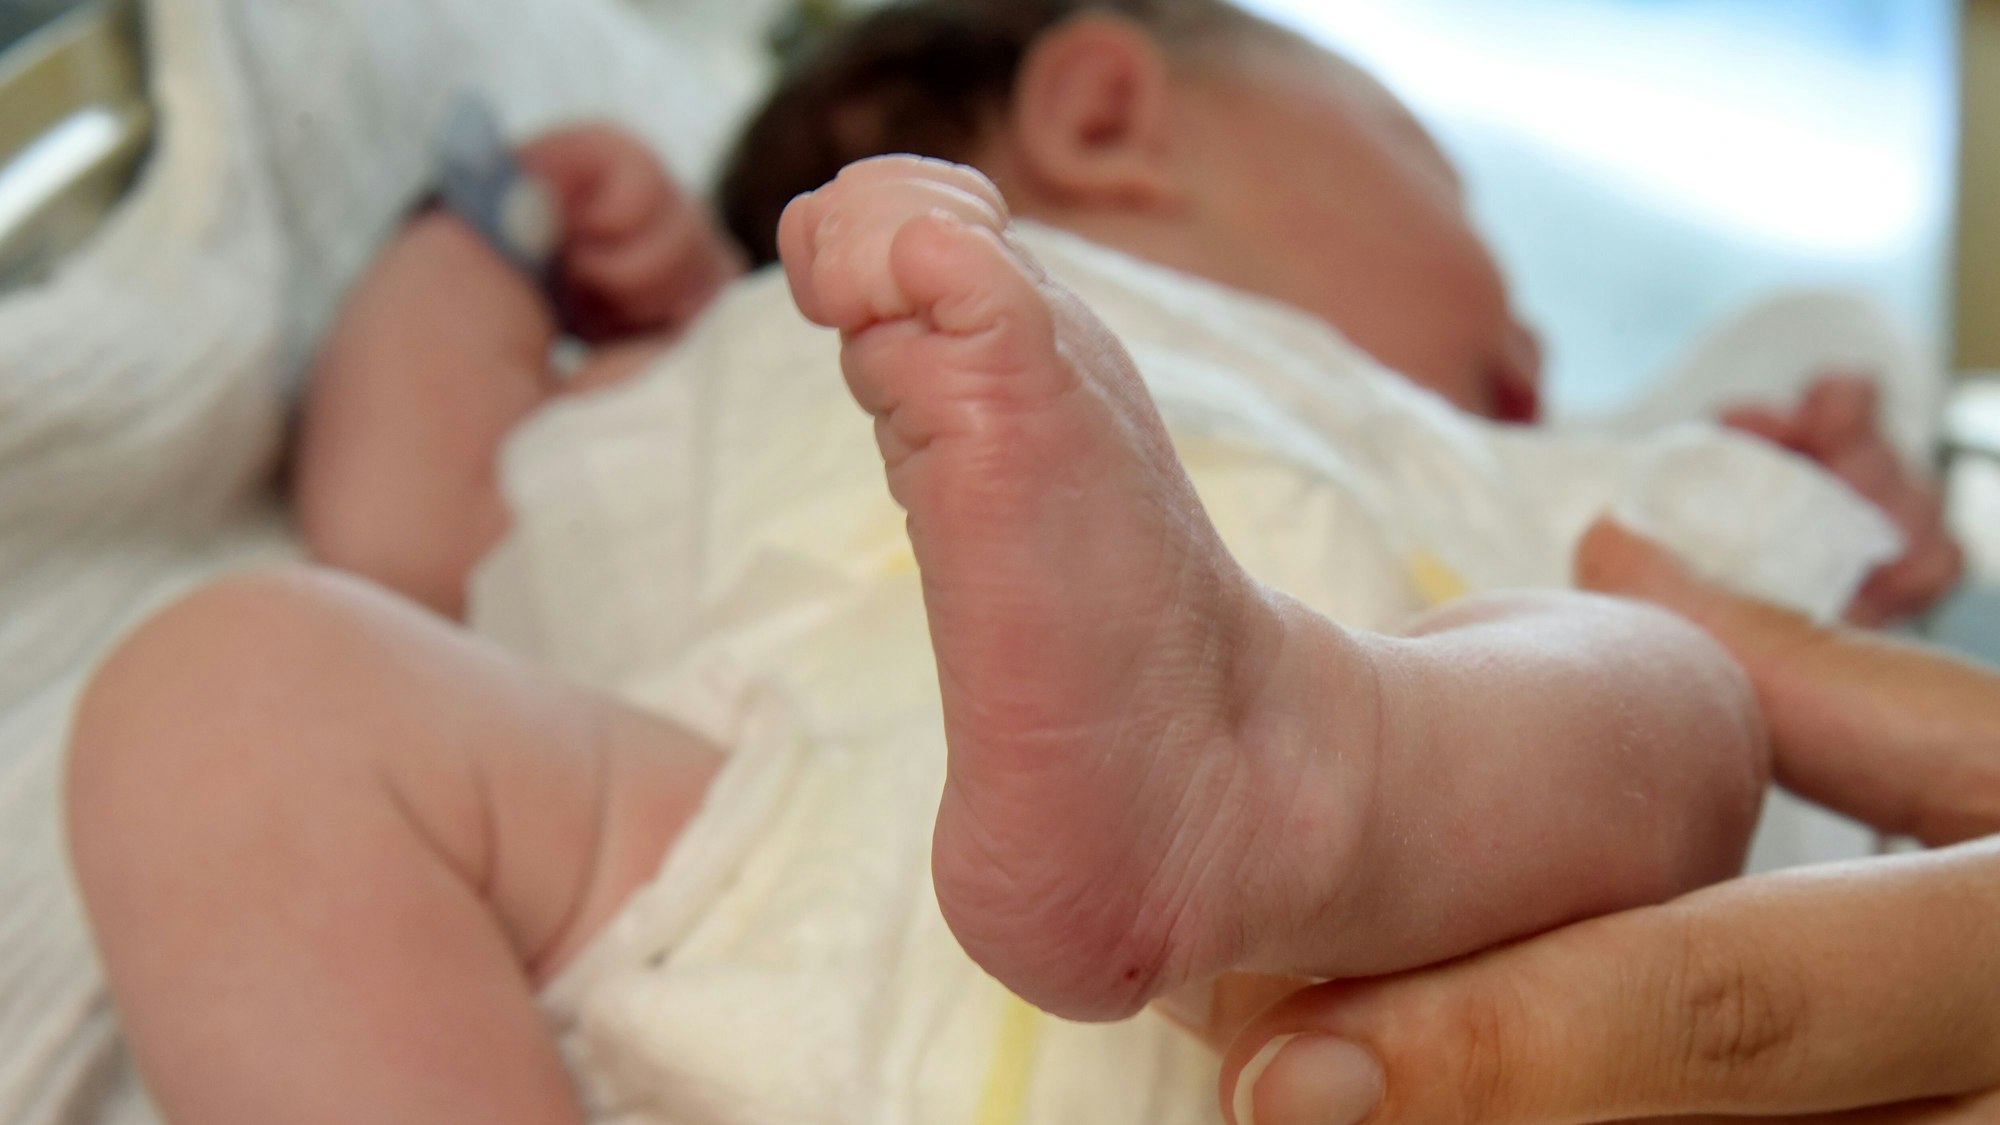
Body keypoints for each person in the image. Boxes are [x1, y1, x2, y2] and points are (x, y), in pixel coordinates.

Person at [60, 2, 1961, 1121]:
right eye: (1436, 178)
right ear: (1109, 112)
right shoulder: (726, 358)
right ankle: (1268, 767)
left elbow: (1825, 559)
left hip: (1420, 946)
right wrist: (492, 229)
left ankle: (1298, 769)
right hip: (755, 888)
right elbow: (398, 529)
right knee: (234, 694)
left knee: (1674, 686)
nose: (1526, 317)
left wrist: (1816, 486)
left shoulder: (1516, 461)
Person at [1216, 520, 2000, 1125]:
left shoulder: (1519, 490)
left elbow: (1697, 718)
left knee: (1674, 698)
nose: (1533, 358)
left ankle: (1346, 755)